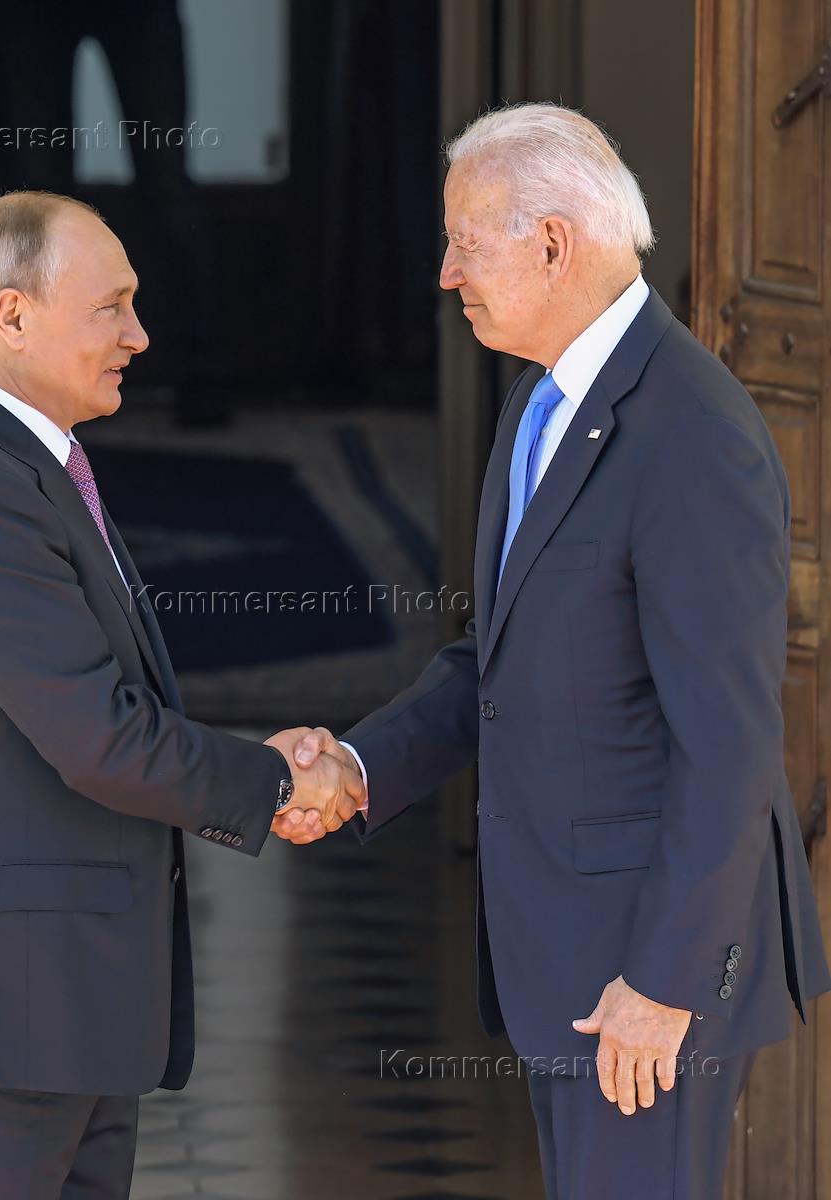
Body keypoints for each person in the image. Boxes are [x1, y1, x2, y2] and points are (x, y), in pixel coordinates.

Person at [283, 103, 831, 1198]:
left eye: (463, 243)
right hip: (572, 959)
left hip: (645, 974)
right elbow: (497, 659)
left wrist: (663, 983)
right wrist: (358, 766)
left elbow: (727, 743)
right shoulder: (540, 404)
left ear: (550, 244)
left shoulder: (690, 436)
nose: (446, 274)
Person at [0, 190, 361, 1200]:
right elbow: (99, 739)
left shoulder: (30, 468)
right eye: (110, 307)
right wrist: (275, 780)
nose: (139, 335)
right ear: (12, 316)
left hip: (60, 1022)